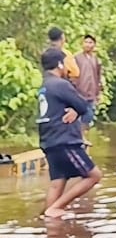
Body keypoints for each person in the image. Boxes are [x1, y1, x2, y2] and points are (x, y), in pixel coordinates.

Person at [37, 48, 103, 219]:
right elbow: (83, 106)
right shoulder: (60, 84)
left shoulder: (45, 85)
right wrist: (76, 108)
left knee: (57, 183)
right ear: (60, 64)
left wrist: (74, 109)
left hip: (49, 141)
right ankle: (56, 208)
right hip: (64, 140)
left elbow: (74, 107)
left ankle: (47, 219)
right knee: (94, 175)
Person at [73, 34, 103, 145]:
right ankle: (78, 137)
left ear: (94, 45)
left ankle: (82, 136)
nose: (88, 45)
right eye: (86, 42)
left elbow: (98, 76)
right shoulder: (77, 58)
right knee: (77, 115)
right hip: (79, 91)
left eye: (90, 42)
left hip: (92, 92)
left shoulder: (96, 60)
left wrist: (99, 92)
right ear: (82, 44)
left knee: (89, 115)